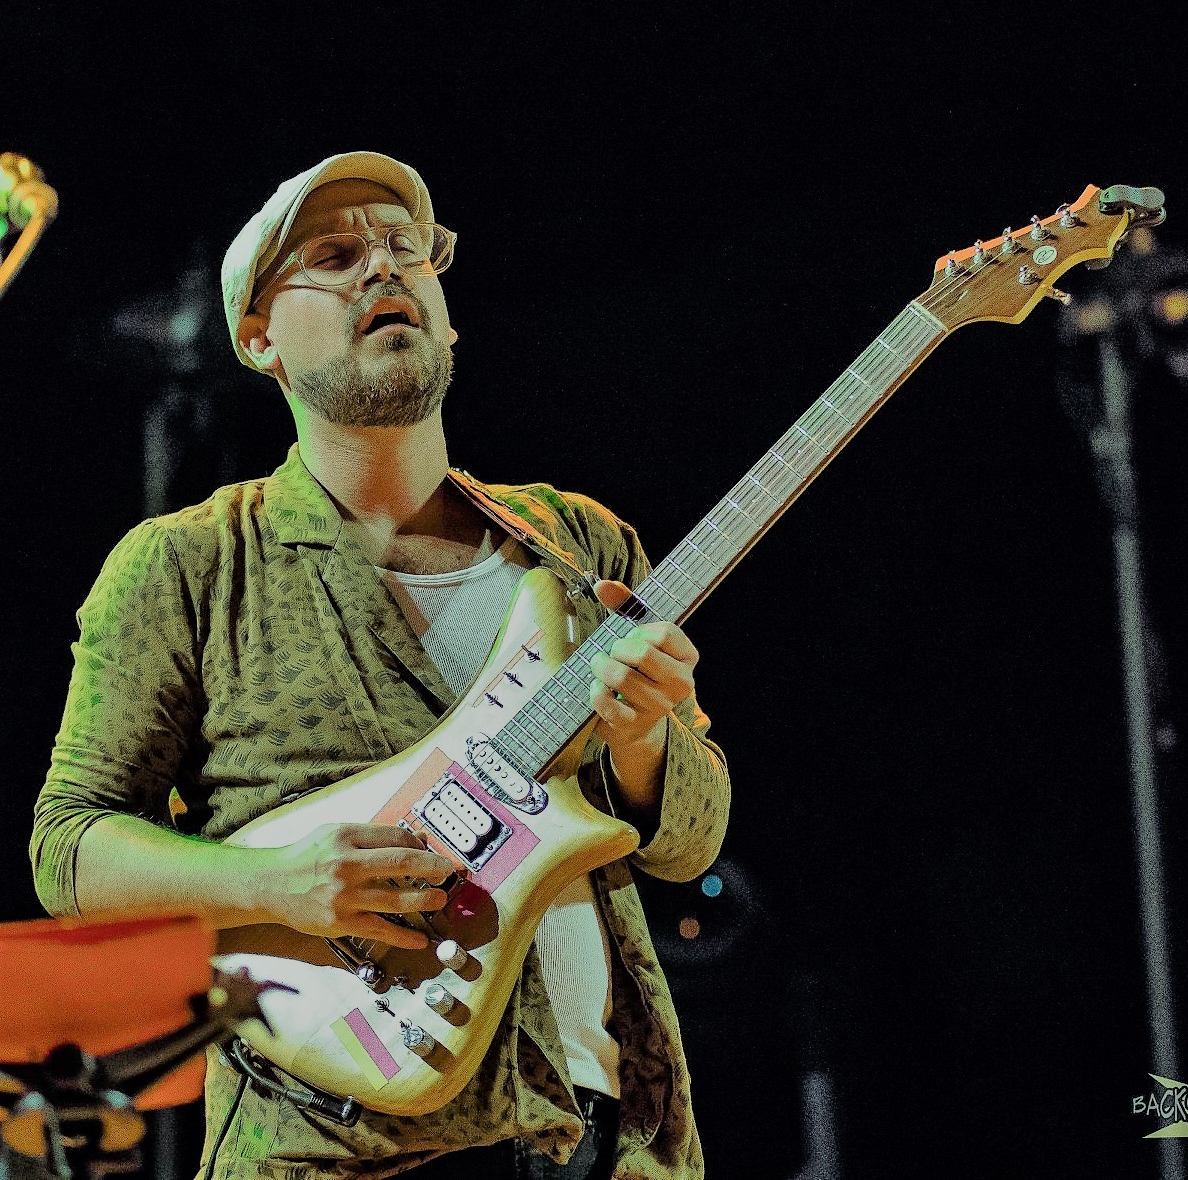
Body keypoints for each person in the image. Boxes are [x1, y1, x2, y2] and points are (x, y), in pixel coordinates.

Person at [29, 151, 730, 1180]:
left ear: (449, 319)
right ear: (258, 339)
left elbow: (687, 842)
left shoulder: (577, 543)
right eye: (335, 255)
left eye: (408, 250)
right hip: (333, 1149)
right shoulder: (188, 564)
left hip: (604, 1133)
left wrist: (641, 741)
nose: (382, 271)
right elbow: (68, 849)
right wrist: (278, 883)